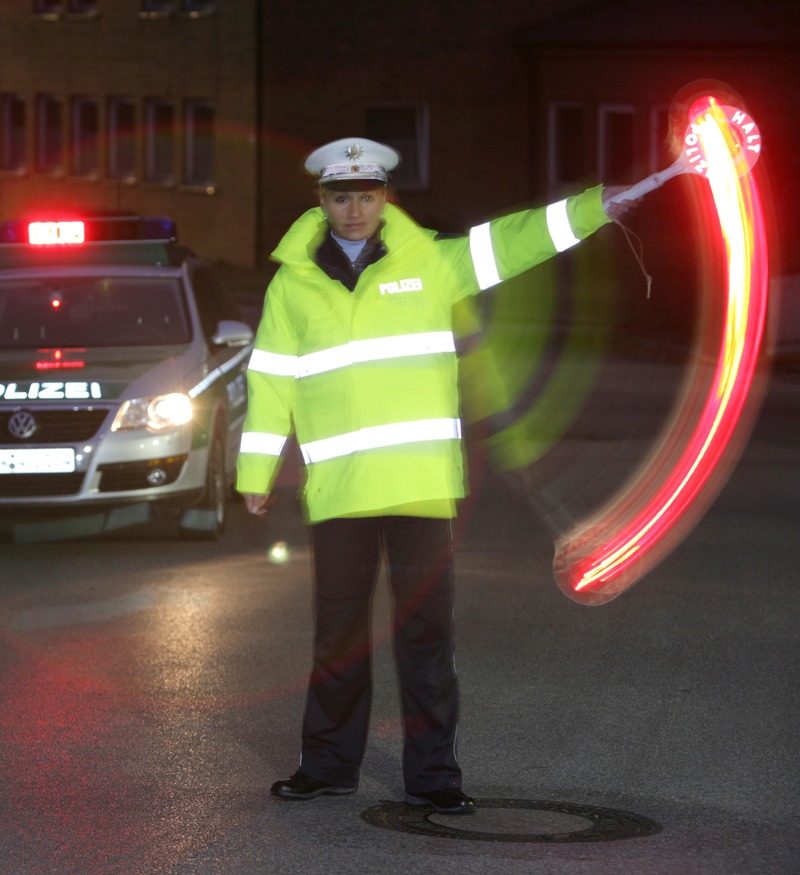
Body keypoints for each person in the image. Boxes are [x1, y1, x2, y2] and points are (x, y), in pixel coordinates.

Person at [237, 137, 634, 812]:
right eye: (341, 196)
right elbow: (270, 379)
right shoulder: (292, 282)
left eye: (366, 195)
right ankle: (329, 765)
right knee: (337, 636)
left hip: (420, 484)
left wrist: (600, 206)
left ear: (386, 196)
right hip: (341, 489)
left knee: (426, 639)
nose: (355, 209)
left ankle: (434, 776)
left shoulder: (435, 263)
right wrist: (257, 467)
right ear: (322, 200)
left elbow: (516, 241)